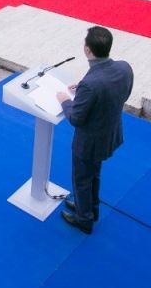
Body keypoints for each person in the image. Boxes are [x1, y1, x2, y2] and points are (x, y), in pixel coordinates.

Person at [56, 26, 134, 234]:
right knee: (95, 175)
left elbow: (75, 118)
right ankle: (90, 208)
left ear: (87, 50)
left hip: (89, 142)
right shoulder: (124, 68)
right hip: (110, 134)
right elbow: (122, 95)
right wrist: (84, 88)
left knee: (82, 180)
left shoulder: (91, 84)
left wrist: (65, 101)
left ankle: (84, 219)